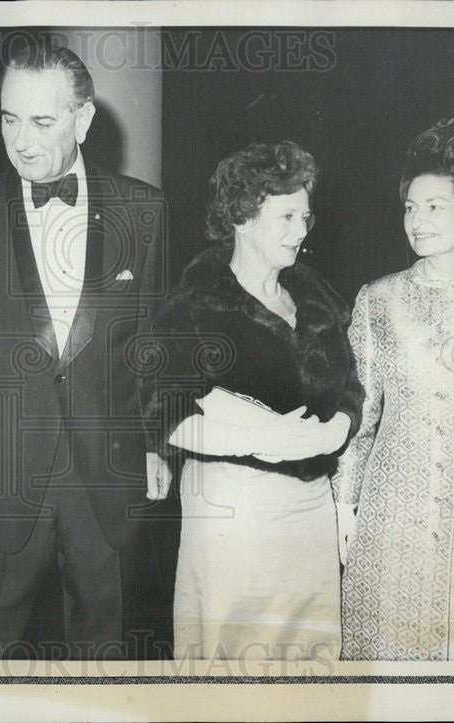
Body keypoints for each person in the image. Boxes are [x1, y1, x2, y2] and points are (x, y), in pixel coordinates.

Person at [0, 42, 170, 659]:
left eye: (41, 121)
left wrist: (159, 443)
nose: (21, 141)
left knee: (106, 645)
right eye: (9, 118)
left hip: (108, 474)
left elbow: (156, 342)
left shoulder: (145, 211)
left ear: (83, 121)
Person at [138, 141, 364, 661]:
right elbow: (166, 412)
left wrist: (335, 430)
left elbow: (350, 384)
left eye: (305, 216)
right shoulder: (194, 304)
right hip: (232, 511)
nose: (302, 230)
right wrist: (267, 438)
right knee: (233, 656)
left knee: (309, 658)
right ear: (241, 216)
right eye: (286, 216)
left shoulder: (318, 299)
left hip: (310, 508)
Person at [333, 116, 454, 661]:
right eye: (410, 208)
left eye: (434, 206)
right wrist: (346, 508)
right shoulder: (379, 301)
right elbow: (358, 421)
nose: (416, 221)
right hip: (394, 530)